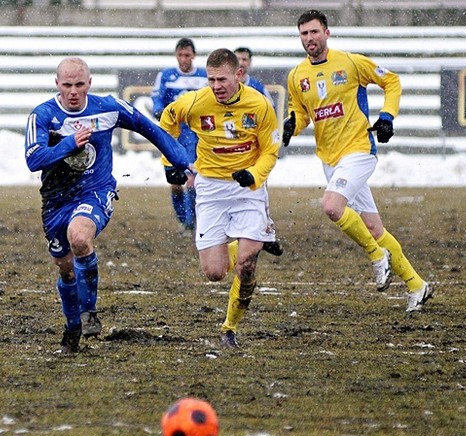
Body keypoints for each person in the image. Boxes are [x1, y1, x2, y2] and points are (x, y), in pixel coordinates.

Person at [24, 57, 192, 354]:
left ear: (89, 83)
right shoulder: (43, 115)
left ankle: (89, 314)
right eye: (67, 85)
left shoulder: (108, 108)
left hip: (96, 190)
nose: (73, 91)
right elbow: (33, 159)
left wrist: (180, 160)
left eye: (79, 84)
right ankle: (73, 326)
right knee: (65, 270)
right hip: (55, 201)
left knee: (80, 237)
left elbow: (148, 128)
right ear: (57, 84)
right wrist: (69, 143)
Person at [283, 10, 433, 313]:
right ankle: (417, 285)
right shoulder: (297, 76)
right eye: (304, 34)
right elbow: (300, 113)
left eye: (314, 32)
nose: (309, 39)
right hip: (330, 158)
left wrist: (387, 117)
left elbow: (391, 81)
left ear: (327, 33)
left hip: (359, 150)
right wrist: (291, 125)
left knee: (331, 206)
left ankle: (377, 256)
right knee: (374, 228)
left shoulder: (351, 62)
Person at [159, 48, 281, 348]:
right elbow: (166, 121)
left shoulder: (260, 105)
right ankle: (254, 237)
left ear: (239, 74)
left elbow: (270, 151)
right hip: (211, 189)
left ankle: (229, 328)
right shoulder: (196, 102)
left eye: (222, 79)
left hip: (248, 190)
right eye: (211, 79)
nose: (216, 86)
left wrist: (254, 175)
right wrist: (170, 163)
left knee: (246, 265)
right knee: (214, 273)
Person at [152, 38, 208, 233]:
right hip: (173, 134)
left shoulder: (204, 76)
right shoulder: (166, 75)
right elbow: (157, 98)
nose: (184, 59)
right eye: (180, 55)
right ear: (176, 56)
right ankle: (184, 219)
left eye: (187, 55)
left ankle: (193, 223)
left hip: (195, 133)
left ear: (194, 55)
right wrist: (159, 110)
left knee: (193, 178)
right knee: (176, 183)